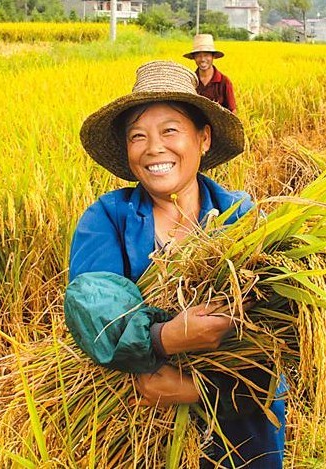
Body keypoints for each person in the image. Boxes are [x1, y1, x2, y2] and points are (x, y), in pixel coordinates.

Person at [64, 60, 285, 468]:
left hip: (242, 427)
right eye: (138, 136)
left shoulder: (242, 217)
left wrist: (198, 390)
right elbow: (94, 309)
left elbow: (279, 337)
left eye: (170, 130)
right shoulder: (107, 217)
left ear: (203, 138)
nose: (154, 148)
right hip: (138, 430)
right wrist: (165, 337)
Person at [183, 34, 237, 113]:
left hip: (218, 124)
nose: (202, 59)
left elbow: (232, 110)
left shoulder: (224, 81)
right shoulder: (190, 81)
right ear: (194, 58)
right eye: (198, 56)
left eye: (206, 55)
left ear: (213, 57)